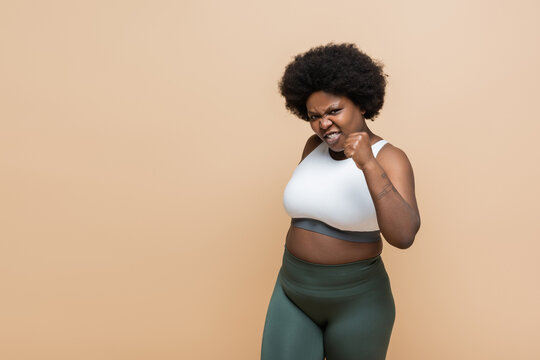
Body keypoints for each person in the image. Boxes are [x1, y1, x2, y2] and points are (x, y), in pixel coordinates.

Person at [260, 43, 421, 360]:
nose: (323, 124)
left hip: (357, 300)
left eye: (334, 111)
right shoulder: (311, 147)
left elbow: (403, 236)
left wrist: (368, 164)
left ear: (361, 104)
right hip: (293, 289)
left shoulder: (390, 157)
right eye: (314, 116)